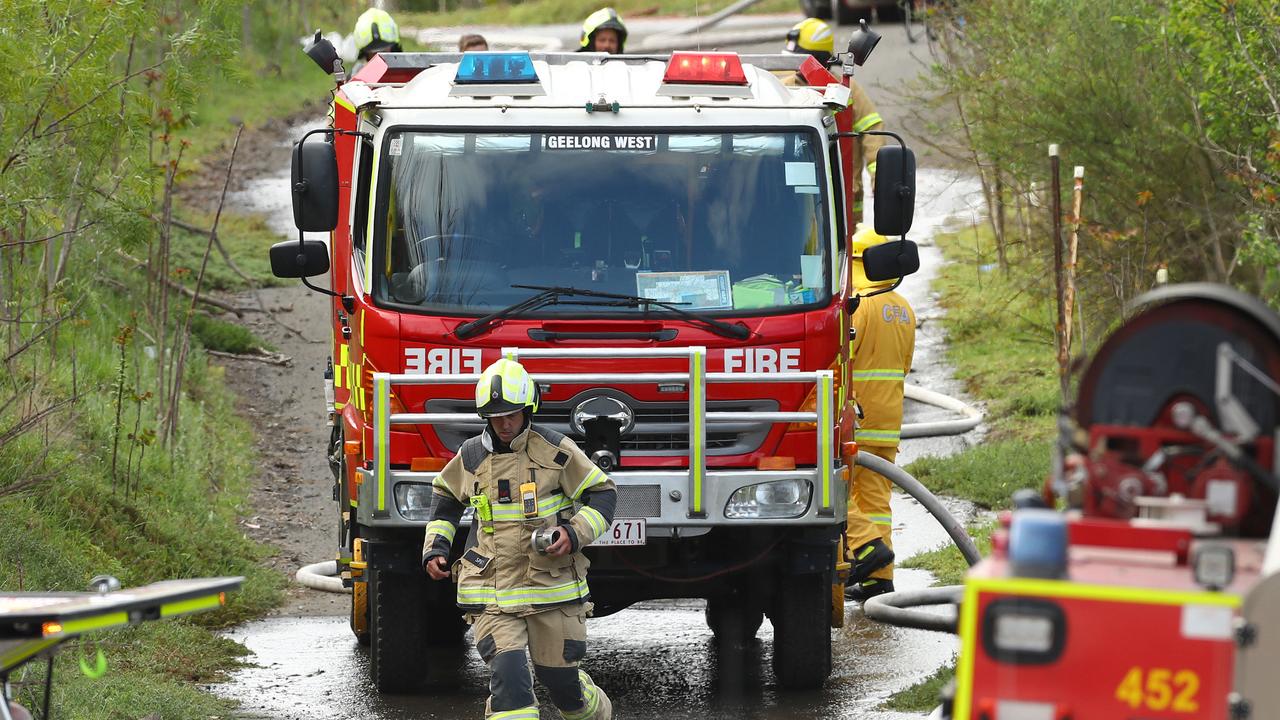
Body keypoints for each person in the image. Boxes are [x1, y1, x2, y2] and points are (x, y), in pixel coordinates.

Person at [423, 358, 615, 720]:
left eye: (511, 415)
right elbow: (445, 499)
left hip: (552, 589)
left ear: (528, 410)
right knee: (510, 684)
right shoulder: (471, 456)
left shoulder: (556, 450)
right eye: (496, 417)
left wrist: (572, 533)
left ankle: (591, 705)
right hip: (493, 592)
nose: (505, 424)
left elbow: (603, 495)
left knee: (563, 688)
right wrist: (435, 548)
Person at [844, 226, 915, 602]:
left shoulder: (859, 304)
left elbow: (841, 359)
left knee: (830, 487)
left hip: (855, 416)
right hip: (889, 419)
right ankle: (879, 580)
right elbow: (904, 366)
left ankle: (866, 547)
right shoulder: (902, 307)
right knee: (876, 500)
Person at [783, 18, 886, 224]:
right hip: (796, 196)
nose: (794, 67)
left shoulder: (848, 90)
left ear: (818, 58)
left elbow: (873, 132)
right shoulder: (783, 88)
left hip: (846, 198)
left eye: (798, 60)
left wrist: (881, 181)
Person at [351, 7, 403, 76]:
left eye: (384, 52)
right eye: (374, 54)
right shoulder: (356, 77)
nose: (380, 58)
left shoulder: (411, 73)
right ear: (365, 54)